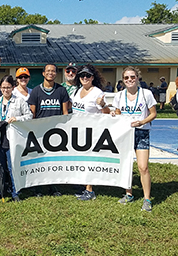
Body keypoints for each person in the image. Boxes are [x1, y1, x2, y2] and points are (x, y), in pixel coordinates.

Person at [111, 66, 157, 212]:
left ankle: (147, 199)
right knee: (126, 165)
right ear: (123, 80)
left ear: (137, 78)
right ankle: (128, 194)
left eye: (132, 77)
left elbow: (153, 114)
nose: (129, 80)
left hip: (141, 133)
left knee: (143, 167)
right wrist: (114, 114)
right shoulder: (119, 95)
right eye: (126, 78)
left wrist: (142, 122)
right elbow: (118, 113)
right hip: (125, 133)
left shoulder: (146, 93)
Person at [0, 75, 32, 202]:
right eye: (3, 87)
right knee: (0, 165)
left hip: (13, 138)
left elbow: (29, 115)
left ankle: (15, 192)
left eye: (8, 87)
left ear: (13, 87)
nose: (5, 90)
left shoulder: (19, 101)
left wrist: (17, 119)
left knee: (13, 166)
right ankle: (0, 191)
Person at [27, 63, 69, 196]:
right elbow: (31, 114)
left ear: (56, 74)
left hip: (56, 131)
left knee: (54, 160)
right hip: (40, 132)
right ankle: (38, 187)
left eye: (53, 71)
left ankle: (53, 187)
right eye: (48, 71)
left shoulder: (61, 90)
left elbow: (65, 112)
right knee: (39, 160)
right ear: (43, 73)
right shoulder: (36, 91)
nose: (50, 73)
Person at [71, 65, 110, 201]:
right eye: (82, 76)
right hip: (77, 131)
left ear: (92, 77)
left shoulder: (97, 93)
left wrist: (103, 105)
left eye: (88, 76)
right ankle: (83, 186)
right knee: (80, 159)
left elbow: (106, 114)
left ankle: (89, 190)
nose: (85, 78)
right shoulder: (76, 92)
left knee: (88, 160)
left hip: (91, 132)